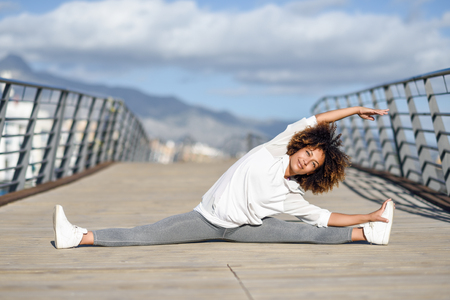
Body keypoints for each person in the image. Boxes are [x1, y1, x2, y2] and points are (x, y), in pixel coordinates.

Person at [53, 106, 394, 249]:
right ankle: (77, 237)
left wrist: (369, 214)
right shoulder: (275, 149)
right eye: (308, 153)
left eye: (314, 164)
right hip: (207, 220)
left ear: (315, 173)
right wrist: (354, 110)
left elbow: (326, 217)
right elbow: (315, 119)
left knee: (309, 232)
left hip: (248, 229)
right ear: (299, 147)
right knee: (147, 234)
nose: (307, 162)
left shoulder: (291, 193)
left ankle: (370, 233)